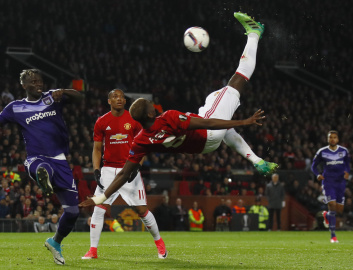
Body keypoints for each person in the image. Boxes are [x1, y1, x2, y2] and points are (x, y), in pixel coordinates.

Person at [80, 13, 277, 210]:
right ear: (149, 114)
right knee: (238, 80)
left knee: (212, 100)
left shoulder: (141, 139)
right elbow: (209, 123)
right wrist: (244, 122)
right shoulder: (168, 118)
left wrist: (100, 198)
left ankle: (257, 160)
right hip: (208, 131)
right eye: (150, 106)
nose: (153, 105)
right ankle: (254, 33)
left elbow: (123, 174)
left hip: (203, 147)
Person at [0, 69, 83, 265]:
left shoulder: (52, 97)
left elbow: (79, 97)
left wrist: (63, 91)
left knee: (72, 212)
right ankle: (42, 177)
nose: (39, 84)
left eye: (40, 81)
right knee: (42, 167)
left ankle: (55, 242)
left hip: (60, 159)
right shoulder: (15, 107)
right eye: (34, 81)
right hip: (36, 158)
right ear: (24, 86)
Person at [82, 89, 167, 260]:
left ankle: (160, 244)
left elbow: (143, 145)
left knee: (141, 210)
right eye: (115, 97)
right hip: (108, 170)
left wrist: (137, 166)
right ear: (109, 101)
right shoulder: (101, 121)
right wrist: (96, 169)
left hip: (129, 168)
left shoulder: (134, 120)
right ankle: (92, 250)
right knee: (99, 209)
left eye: (121, 97)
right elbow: (97, 149)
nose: (119, 99)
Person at [311, 130, 350, 243]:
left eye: (334, 137)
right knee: (332, 205)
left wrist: (347, 172)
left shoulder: (344, 151)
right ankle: (333, 236)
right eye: (330, 137)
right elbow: (314, 166)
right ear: (328, 139)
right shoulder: (322, 152)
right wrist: (318, 174)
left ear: (337, 139)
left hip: (341, 182)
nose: (332, 139)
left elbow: (347, 164)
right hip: (328, 182)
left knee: (339, 209)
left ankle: (326, 215)